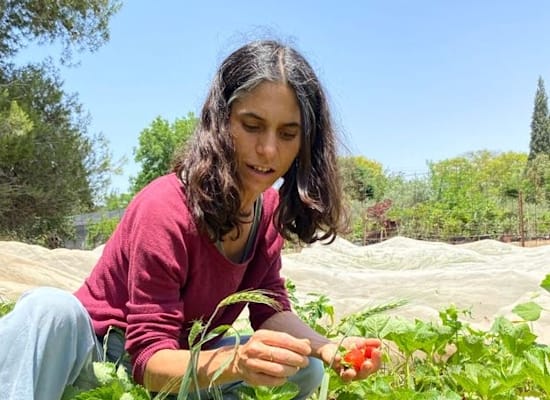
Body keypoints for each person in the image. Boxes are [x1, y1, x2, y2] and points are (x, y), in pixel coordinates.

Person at [0, 39, 381, 400]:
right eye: (251, 126)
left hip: (184, 364)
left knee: (302, 367)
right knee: (48, 310)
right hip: (102, 363)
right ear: (220, 122)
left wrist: (329, 348)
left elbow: (270, 311)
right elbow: (147, 357)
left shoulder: (265, 213)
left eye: (287, 133)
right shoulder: (165, 207)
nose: (267, 149)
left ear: (305, 142)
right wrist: (235, 363)